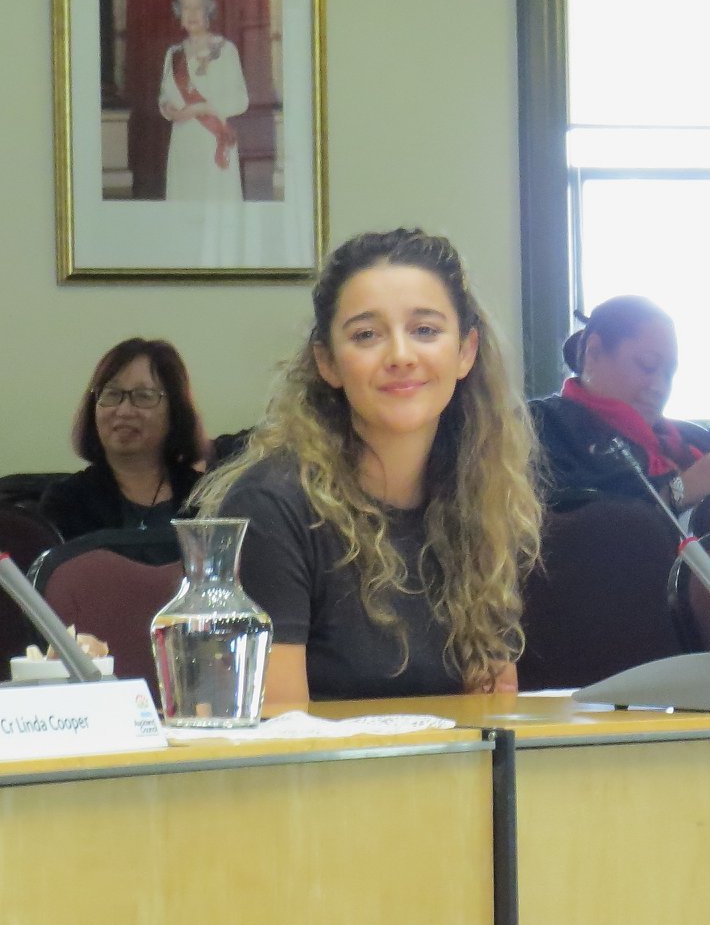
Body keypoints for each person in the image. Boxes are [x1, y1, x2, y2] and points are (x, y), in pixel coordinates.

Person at [193, 229, 542, 707]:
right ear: (328, 363)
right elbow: (279, 733)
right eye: (366, 335)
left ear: (466, 351)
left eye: (425, 330)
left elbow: (492, 711)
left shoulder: (482, 493)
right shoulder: (272, 504)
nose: (401, 356)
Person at [530, 295, 710, 510]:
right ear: (594, 353)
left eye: (669, 374)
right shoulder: (543, 427)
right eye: (647, 365)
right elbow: (578, 523)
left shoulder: (700, 439)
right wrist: (679, 491)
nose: (659, 387)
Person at [41, 339, 207, 539]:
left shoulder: (205, 497)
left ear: (175, 410)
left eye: (143, 396)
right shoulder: (66, 500)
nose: (124, 411)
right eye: (112, 394)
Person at [159, 0, 248, 203]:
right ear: (179, 13)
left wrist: (200, 108)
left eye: (197, 7)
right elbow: (164, 97)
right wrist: (167, 108)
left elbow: (240, 100)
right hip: (183, 144)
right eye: (185, 8)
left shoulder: (225, 50)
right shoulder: (173, 54)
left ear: (208, 11)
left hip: (213, 142)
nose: (191, 14)